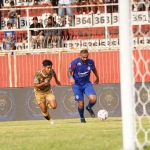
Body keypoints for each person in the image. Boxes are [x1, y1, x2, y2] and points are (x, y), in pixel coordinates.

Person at [67, 49, 99, 123]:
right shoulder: (75, 62)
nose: (85, 59)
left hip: (86, 83)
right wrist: (71, 78)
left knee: (93, 99)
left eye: (86, 57)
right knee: (81, 103)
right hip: (77, 85)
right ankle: (82, 118)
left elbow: (94, 69)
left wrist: (97, 77)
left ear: (88, 55)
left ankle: (89, 107)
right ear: (80, 56)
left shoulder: (91, 62)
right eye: (83, 57)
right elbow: (69, 72)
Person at [34, 59, 61, 124]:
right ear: (44, 67)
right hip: (39, 92)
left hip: (48, 91)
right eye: (48, 68)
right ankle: (50, 120)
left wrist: (56, 81)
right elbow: (35, 85)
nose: (49, 69)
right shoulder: (38, 73)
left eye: (50, 68)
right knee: (44, 110)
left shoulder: (51, 71)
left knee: (54, 106)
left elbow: (54, 74)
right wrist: (43, 83)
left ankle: (48, 105)